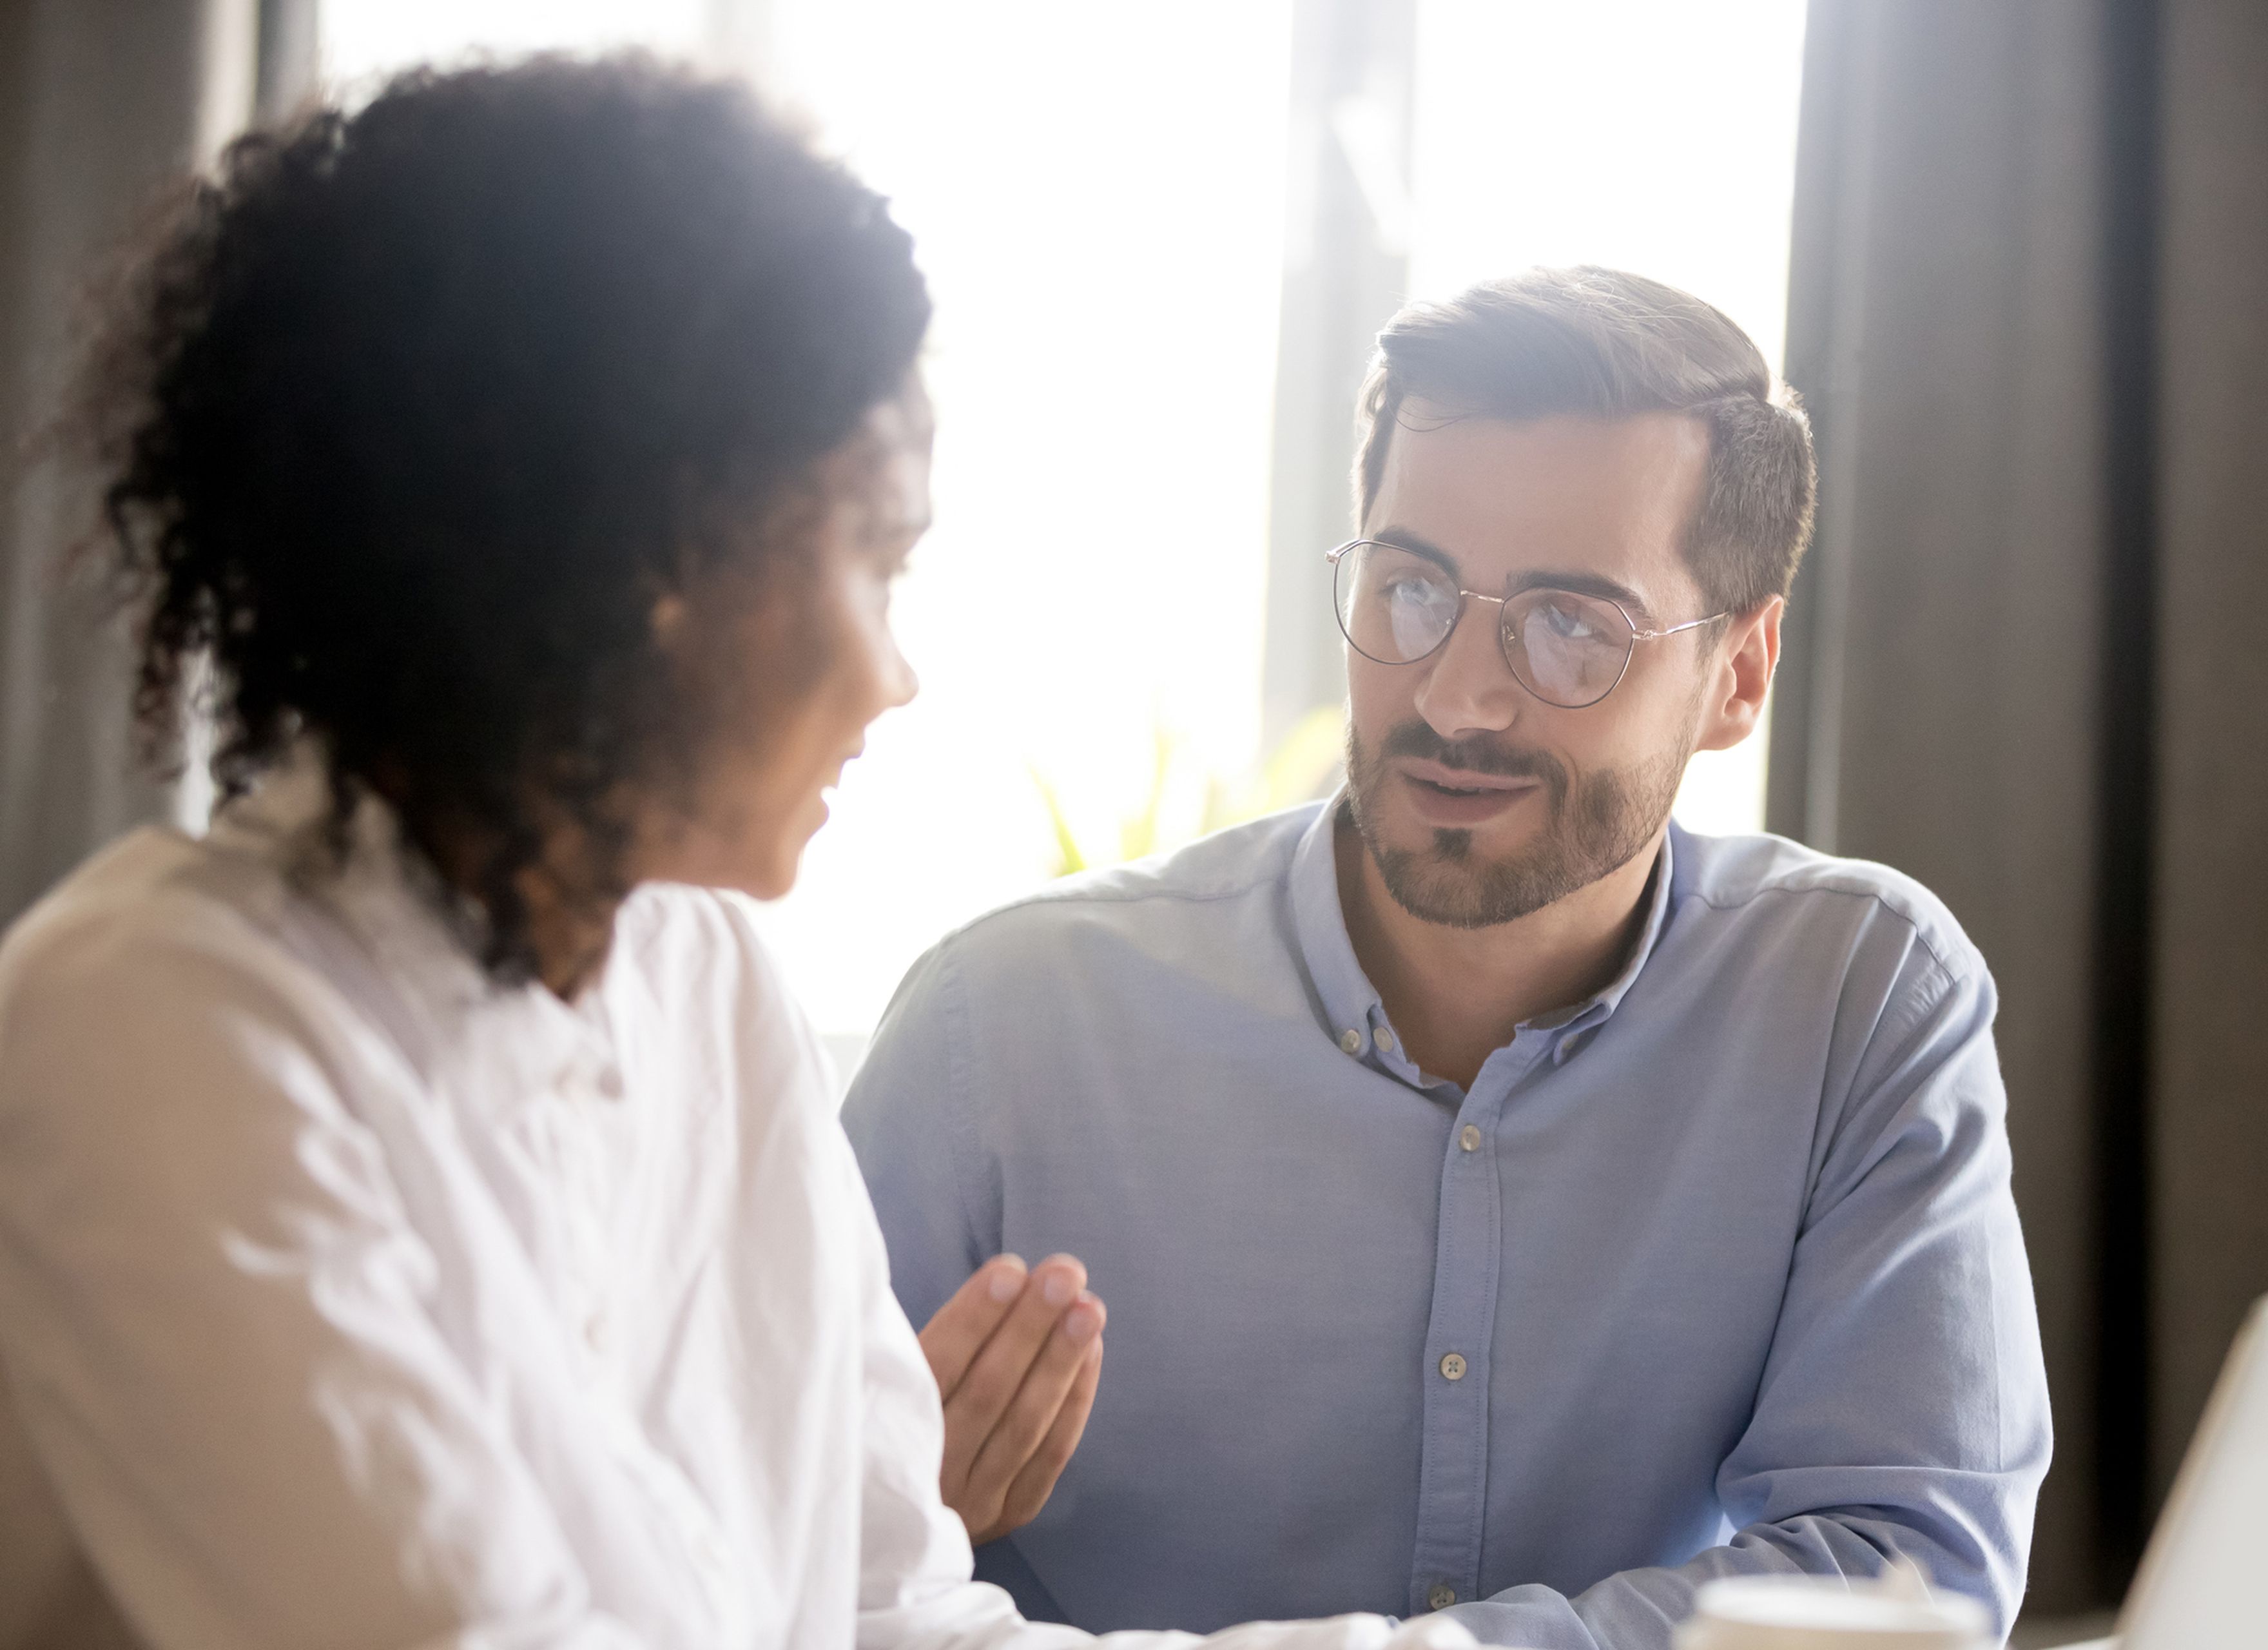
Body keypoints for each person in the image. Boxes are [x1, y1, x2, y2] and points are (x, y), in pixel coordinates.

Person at [0, 59, 1486, 1650]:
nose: (895, 672)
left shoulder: (704, 976)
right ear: (641, 552)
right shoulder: (156, 1018)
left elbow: (893, 1615)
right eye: (876, 555)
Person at [844, 268, 2053, 1649]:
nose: (1456, 696)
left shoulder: (1859, 999)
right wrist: (863, 1523)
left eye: (1571, 625)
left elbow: (1911, 1564)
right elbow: (734, 1543)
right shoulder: (994, 1032)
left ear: (1742, 671)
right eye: (1413, 586)